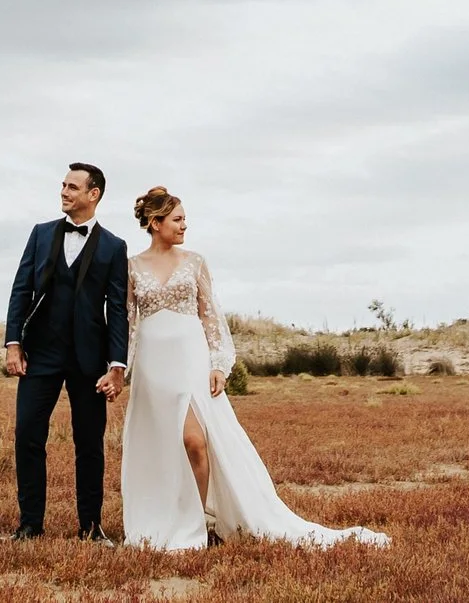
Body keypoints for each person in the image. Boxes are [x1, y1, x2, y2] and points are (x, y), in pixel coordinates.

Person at [118, 186, 389, 550]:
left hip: (190, 360)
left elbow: (210, 317)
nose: (185, 225)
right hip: (153, 367)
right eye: (178, 219)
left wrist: (217, 364)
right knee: (161, 447)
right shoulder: (132, 267)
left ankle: (196, 523)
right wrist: (119, 368)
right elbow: (128, 323)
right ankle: (168, 516)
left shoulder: (195, 261)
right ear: (156, 223)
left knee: (196, 441)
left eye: (184, 219)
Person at [3, 162, 130, 541]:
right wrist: (13, 343)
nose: (63, 192)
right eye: (63, 185)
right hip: (39, 354)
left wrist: (117, 365)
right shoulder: (40, 234)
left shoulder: (114, 247)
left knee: (89, 444)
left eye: (72, 187)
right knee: (27, 434)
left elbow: (118, 309)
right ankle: (30, 525)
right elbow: (20, 289)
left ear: (93, 195)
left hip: (90, 361)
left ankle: (90, 528)